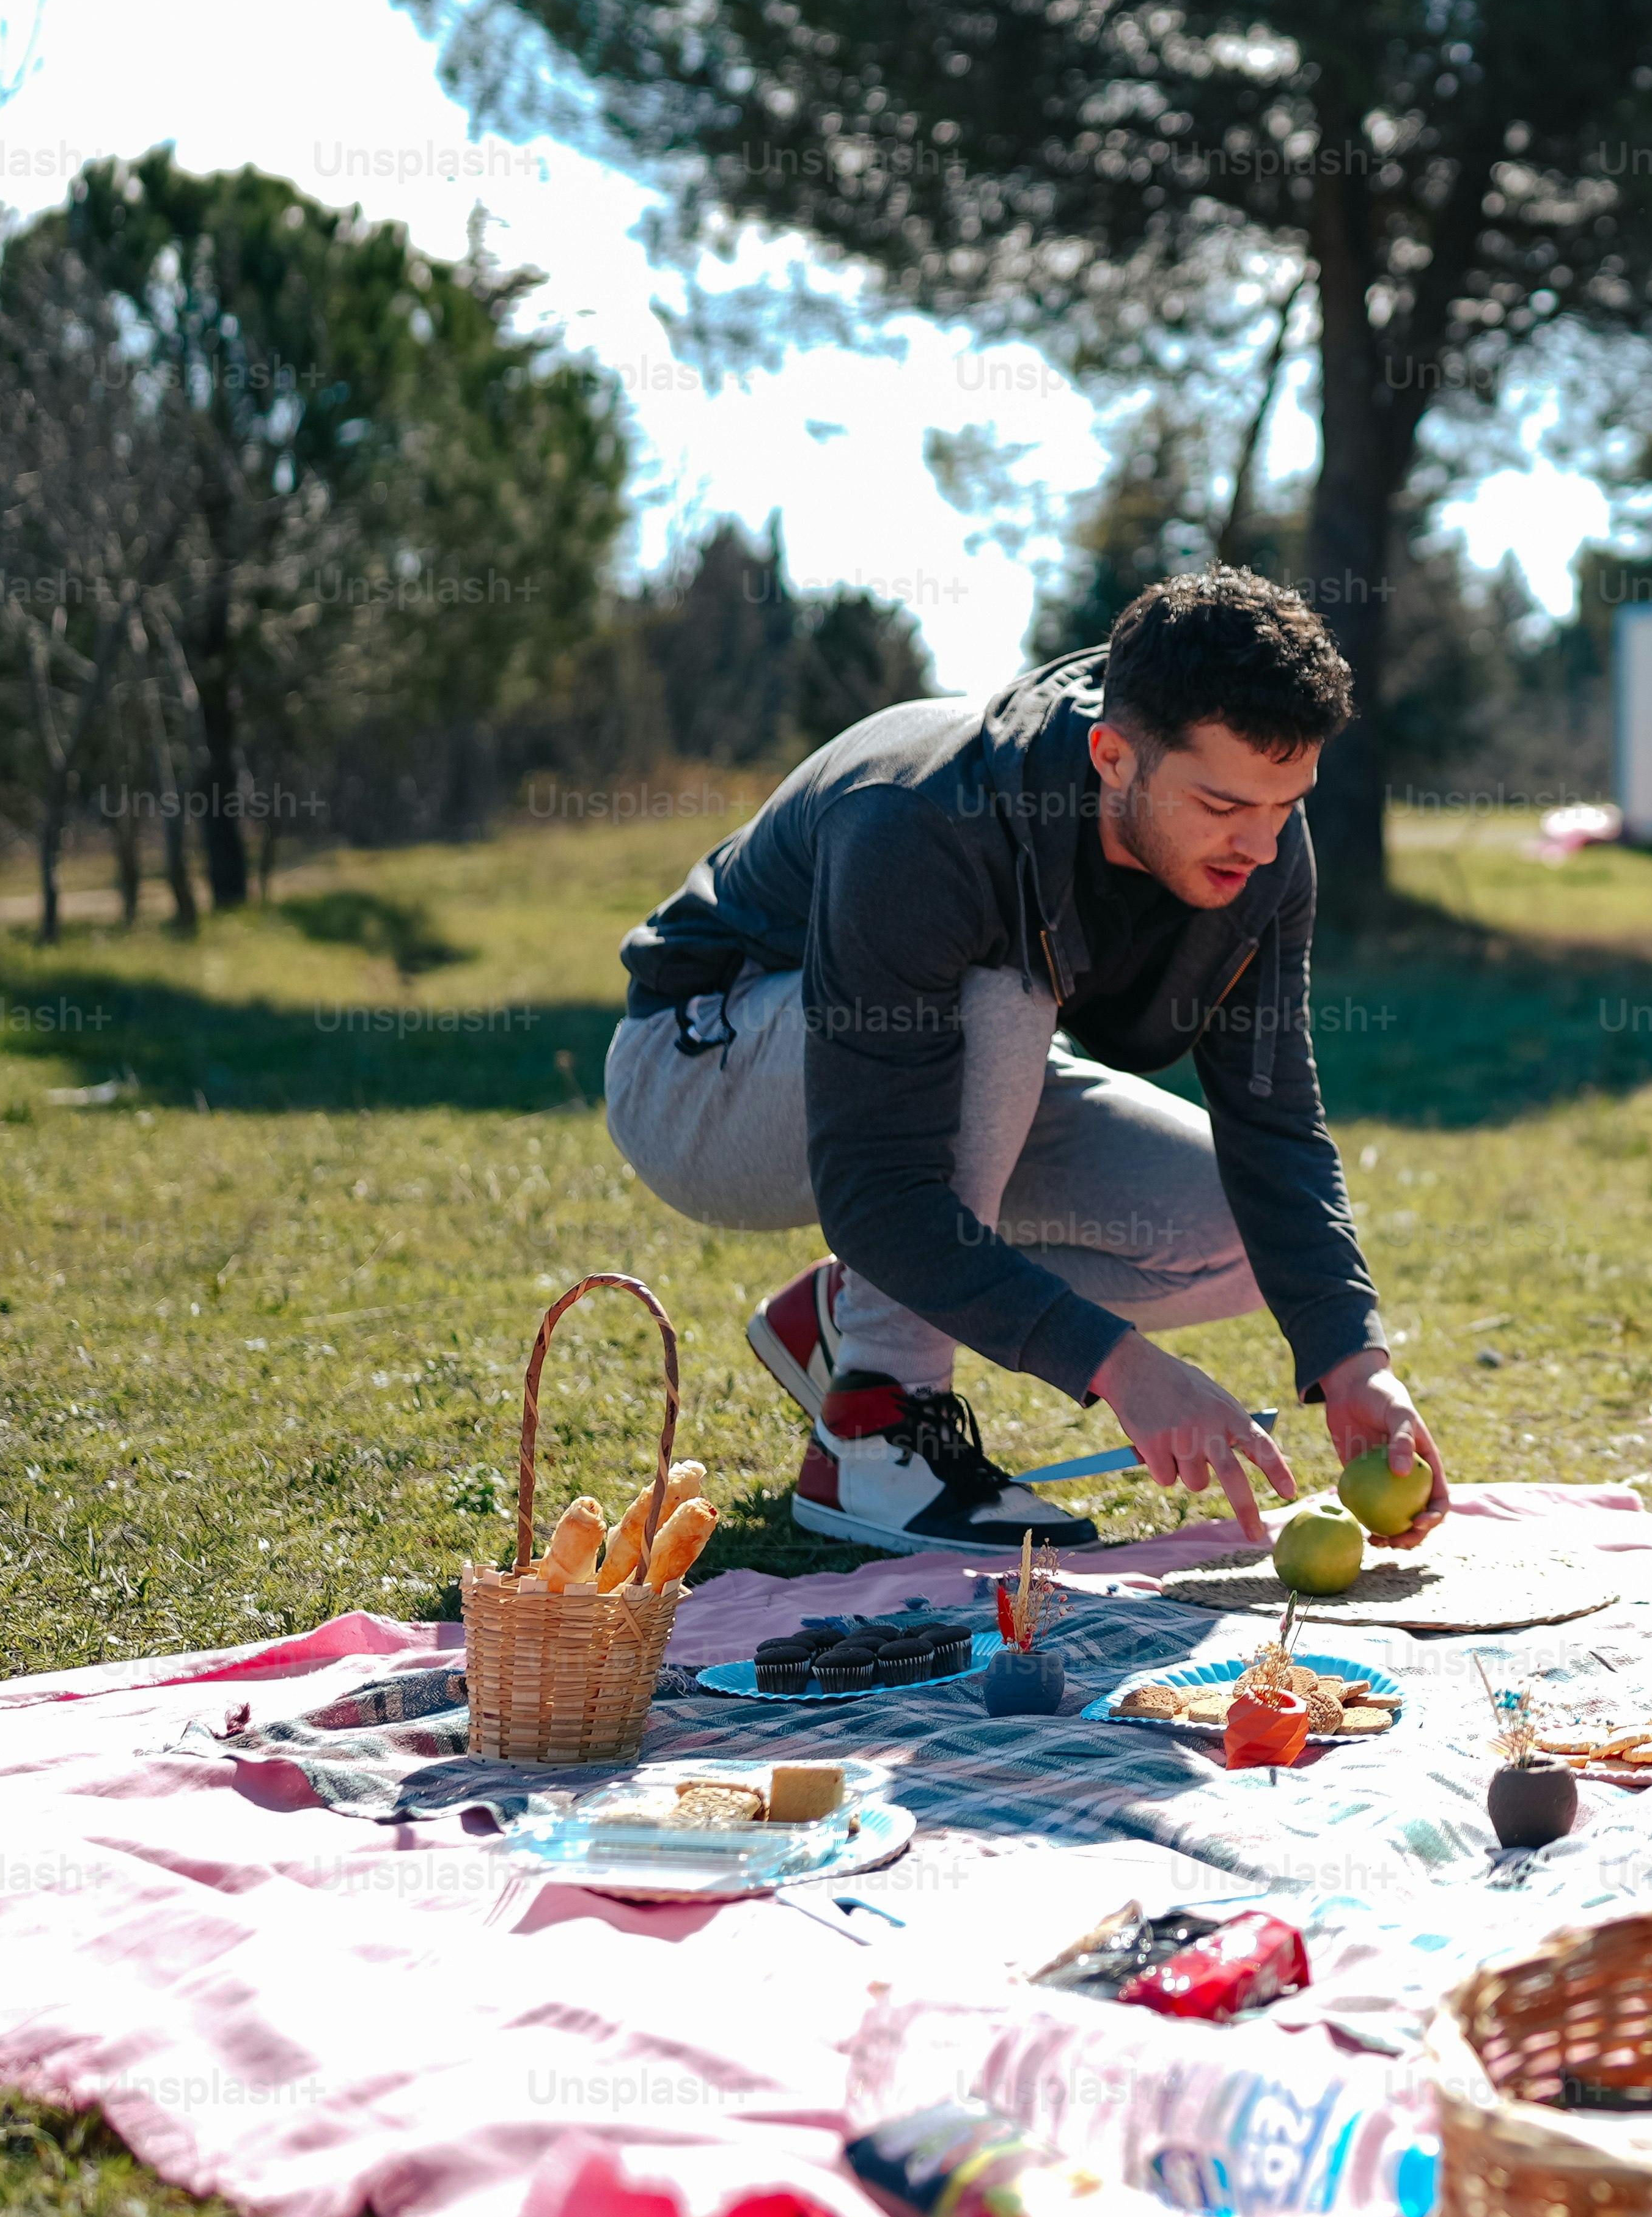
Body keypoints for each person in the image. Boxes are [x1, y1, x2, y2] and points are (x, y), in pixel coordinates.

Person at [603, 566, 1444, 1555]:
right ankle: (880, 1429)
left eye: (1285, 804)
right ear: (1113, 757)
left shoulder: (1262, 842)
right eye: (1224, 805)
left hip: (937, 1071)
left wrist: (1353, 1361)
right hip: (701, 1075)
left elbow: (1276, 1122)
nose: (1262, 846)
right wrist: (1120, 1366)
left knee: (1235, 1234)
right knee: (1007, 982)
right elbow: (874, 1183)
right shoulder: (923, 819)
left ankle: (846, 1309)